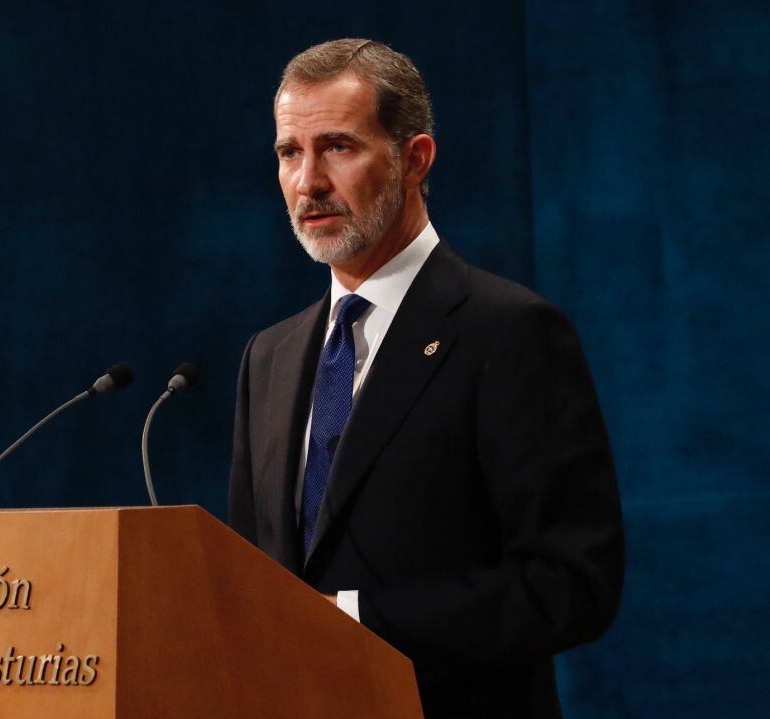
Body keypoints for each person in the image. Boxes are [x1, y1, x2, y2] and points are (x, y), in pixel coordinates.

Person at [228, 38, 624, 718]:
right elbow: (247, 584)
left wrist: (353, 619)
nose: (308, 181)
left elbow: (571, 583)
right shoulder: (269, 356)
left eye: (338, 147)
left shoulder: (511, 332)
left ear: (415, 160)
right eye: (290, 152)